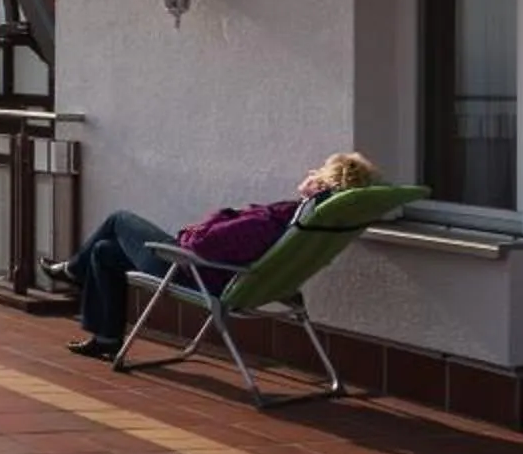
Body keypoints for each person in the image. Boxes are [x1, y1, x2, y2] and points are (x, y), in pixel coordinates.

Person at [45, 152, 380, 361]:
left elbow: (201, 245)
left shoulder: (277, 220)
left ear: (322, 185)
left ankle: (73, 270)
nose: (309, 171)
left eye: (318, 170)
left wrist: (198, 227)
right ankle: (105, 337)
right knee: (105, 252)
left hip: (191, 271)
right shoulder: (304, 223)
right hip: (231, 277)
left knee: (119, 219)